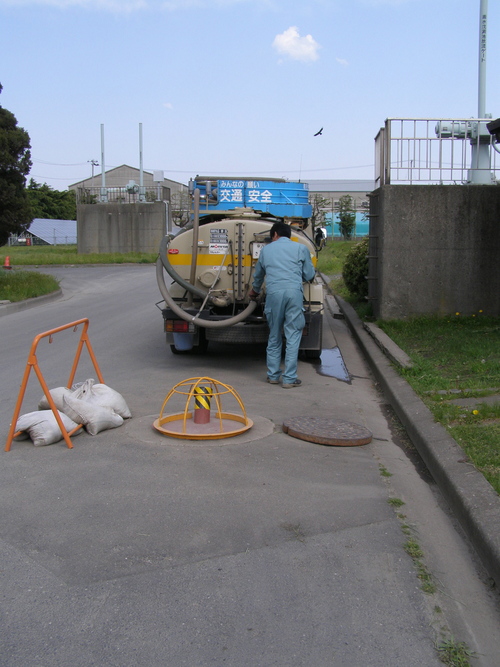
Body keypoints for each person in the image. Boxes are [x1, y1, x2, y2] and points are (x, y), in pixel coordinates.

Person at [249, 221, 315, 388]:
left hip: (274, 294)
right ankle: (289, 378)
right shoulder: (300, 248)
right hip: (294, 293)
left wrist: (254, 291)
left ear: (274, 235)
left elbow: (258, 276)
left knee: (274, 334)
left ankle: (272, 375)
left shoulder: (266, 250)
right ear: (288, 235)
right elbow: (309, 274)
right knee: (293, 334)